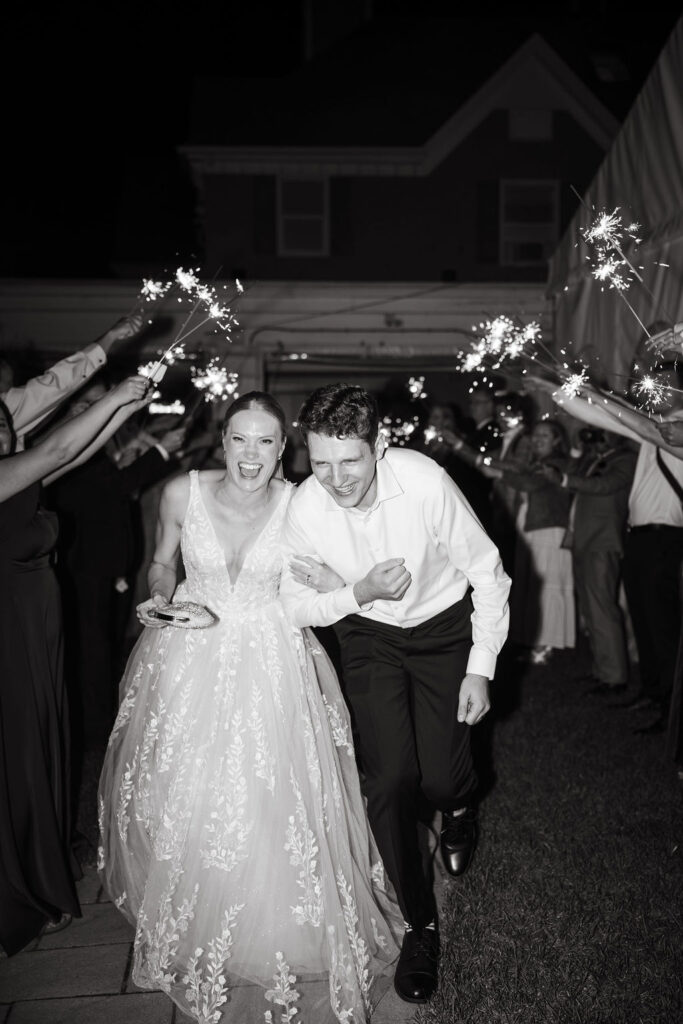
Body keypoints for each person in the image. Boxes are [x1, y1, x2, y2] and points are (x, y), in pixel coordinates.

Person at [98, 391, 401, 1024]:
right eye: (240, 439)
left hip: (272, 659)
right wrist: (159, 601)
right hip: (187, 654)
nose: (251, 454)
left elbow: (332, 572)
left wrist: (355, 584)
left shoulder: (300, 504)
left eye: (266, 441)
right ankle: (196, 919)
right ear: (222, 438)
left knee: (272, 797)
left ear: (283, 448)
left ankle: (275, 930)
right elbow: (159, 564)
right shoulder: (183, 493)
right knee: (189, 793)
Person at [279, 383, 511, 1004]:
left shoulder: (426, 481)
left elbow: (489, 574)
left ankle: (459, 810)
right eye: (320, 462)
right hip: (367, 637)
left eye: (349, 460)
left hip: (442, 632)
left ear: (380, 444)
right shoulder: (306, 506)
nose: (334, 477)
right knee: (386, 781)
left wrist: (479, 667)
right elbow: (295, 605)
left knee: (441, 778)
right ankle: (420, 925)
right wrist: (356, 594)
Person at [0, 376, 151, 956]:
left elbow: (76, 450)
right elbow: (59, 448)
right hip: (8, 631)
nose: (13, 436)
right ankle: (18, 889)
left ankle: (41, 859)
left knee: (40, 745)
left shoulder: (18, 478)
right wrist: (111, 396)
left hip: (34, 628)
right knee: (16, 750)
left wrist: (122, 409)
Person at [533, 368, 683, 735]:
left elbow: (636, 424)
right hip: (641, 538)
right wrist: (560, 393)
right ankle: (654, 692)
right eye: (655, 383)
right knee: (645, 622)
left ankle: (671, 708)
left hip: (667, 539)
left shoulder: (673, 430)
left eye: (666, 384)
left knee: (663, 625)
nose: (656, 389)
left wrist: (593, 391)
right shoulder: (655, 424)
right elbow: (605, 418)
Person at [541, 427, 637, 695]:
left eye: (605, 433)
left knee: (602, 610)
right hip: (583, 541)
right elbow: (574, 466)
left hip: (603, 543)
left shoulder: (625, 460)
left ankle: (615, 677)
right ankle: (602, 670)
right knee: (590, 611)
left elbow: (602, 485)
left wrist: (563, 479)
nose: (599, 437)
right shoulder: (593, 458)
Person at [485, 419, 574, 665]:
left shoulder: (558, 463)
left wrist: (498, 471)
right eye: (536, 435)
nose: (538, 439)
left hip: (550, 529)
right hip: (530, 528)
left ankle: (545, 645)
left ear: (557, 439)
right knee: (531, 586)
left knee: (547, 587)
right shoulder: (536, 463)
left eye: (545, 435)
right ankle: (530, 639)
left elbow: (529, 483)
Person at [0, 314, 143, 451]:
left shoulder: (8, 407)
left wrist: (122, 409)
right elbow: (56, 452)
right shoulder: (7, 410)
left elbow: (55, 385)